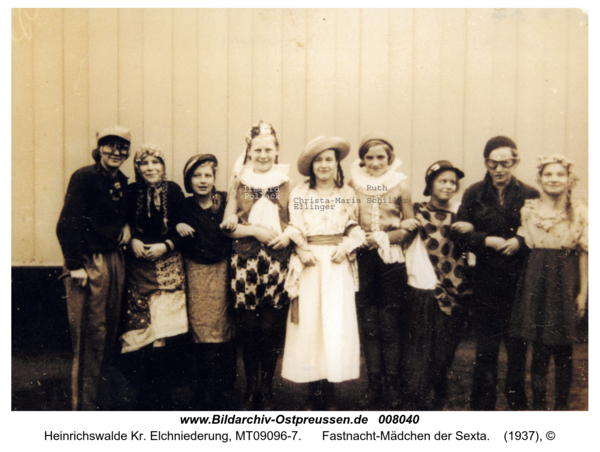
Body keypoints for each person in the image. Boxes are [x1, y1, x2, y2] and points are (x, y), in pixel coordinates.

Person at [281, 137, 364, 410]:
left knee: (333, 324)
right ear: (311, 165)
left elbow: (352, 224)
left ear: (337, 163)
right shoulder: (301, 193)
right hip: (311, 263)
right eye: (318, 160)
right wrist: (301, 249)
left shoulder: (346, 193)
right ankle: (312, 391)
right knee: (311, 325)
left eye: (329, 159)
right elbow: (295, 225)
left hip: (337, 264)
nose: (324, 165)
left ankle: (330, 389)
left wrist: (348, 244)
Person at [457, 136, 539, 410]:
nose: (499, 169)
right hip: (486, 281)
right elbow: (458, 233)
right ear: (486, 163)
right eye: (493, 163)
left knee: (517, 348)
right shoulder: (474, 193)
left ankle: (517, 404)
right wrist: (484, 240)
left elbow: (540, 235)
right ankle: (482, 408)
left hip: (519, 281)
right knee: (486, 349)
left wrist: (521, 241)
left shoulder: (530, 194)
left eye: (505, 163)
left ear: (515, 162)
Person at [56, 125, 132, 410]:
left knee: (108, 334)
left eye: (122, 146)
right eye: (110, 145)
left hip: (115, 260)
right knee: (90, 335)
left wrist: (125, 224)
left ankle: (101, 403)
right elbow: (67, 223)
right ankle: (84, 411)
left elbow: (120, 212)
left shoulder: (121, 181)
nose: (116, 151)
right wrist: (75, 265)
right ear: (100, 148)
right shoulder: (84, 177)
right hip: (89, 263)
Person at [220, 121, 292, 410]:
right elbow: (228, 226)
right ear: (248, 152)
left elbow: (296, 221)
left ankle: (267, 385)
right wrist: (255, 231)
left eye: (268, 149)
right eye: (257, 149)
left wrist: (285, 237)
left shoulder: (286, 182)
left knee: (271, 326)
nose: (263, 155)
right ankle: (251, 388)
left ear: (276, 151)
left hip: (277, 260)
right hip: (246, 260)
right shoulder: (240, 180)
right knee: (249, 327)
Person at [509, 155, 587, 410]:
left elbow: (585, 253)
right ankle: (540, 409)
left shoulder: (580, 210)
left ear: (569, 179)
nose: (554, 179)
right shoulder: (529, 210)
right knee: (539, 350)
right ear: (540, 180)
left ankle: (561, 409)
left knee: (564, 351)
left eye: (560, 175)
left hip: (565, 278)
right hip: (536, 278)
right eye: (548, 175)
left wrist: (583, 294)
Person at [348, 134, 416, 409]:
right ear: (362, 159)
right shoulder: (353, 184)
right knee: (369, 324)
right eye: (370, 157)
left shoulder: (400, 184)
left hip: (390, 259)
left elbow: (410, 224)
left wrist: (387, 237)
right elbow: (347, 217)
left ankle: (392, 385)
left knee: (389, 325)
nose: (375, 163)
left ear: (390, 159)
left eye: (381, 158)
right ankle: (374, 384)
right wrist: (356, 233)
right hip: (363, 258)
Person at [119, 144, 188, 410]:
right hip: (138, 268)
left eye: (155, 162)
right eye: (144, 163)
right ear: (137, 168)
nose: (150, 168)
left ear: (163, 165)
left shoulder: (174, 191)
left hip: (168, 266)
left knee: (165, 333)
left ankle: (164, 393)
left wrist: (166, 245)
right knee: (143, 331)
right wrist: (133, 240)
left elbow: (183, 227)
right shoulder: (131, 191)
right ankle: (144, 393)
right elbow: (122, 220)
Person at [401, 161, 473, 410]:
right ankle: (416, 396)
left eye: (453, 182)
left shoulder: (460, 215)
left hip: (454, 286)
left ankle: (438, 392)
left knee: (445, 347)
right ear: (430, 184)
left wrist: (470, 228)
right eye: (442, 180)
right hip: (425, 286)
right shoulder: (416, 212)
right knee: (420, 345)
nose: (448, 186)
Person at [176, 154, 236, 410]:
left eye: (208, 175)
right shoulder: (185, 206)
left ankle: (223, 391)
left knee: (223, 329)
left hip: (222, 270)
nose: (203, 181)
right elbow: (171, 225)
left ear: (214, 178)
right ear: (189, 180)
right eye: (197, 176)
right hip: (194, 272)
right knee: (198, 331)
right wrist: (178, 224)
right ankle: (199, 391)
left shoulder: (225, 202)